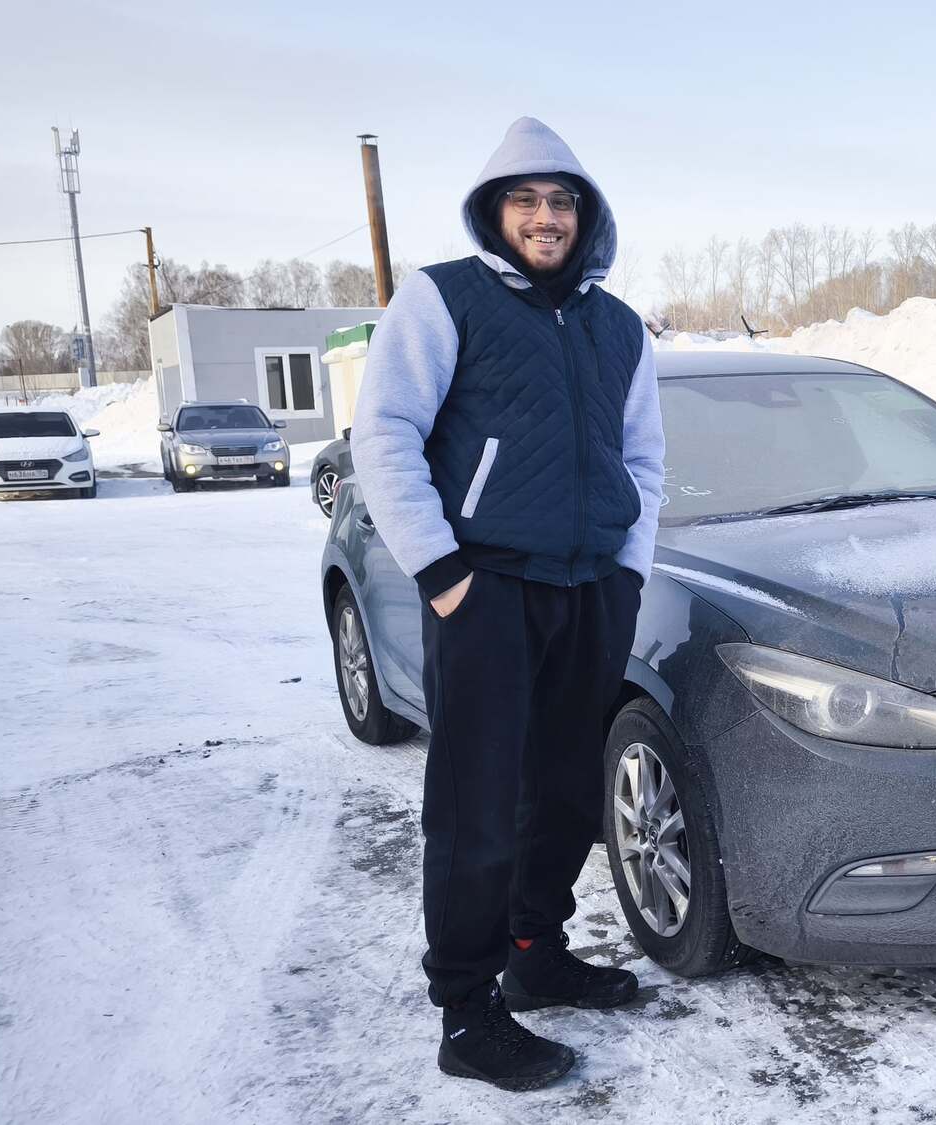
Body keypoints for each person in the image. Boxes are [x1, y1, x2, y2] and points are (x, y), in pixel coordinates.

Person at [353, 116, 665, 1092]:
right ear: (495, 211)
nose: (544, 216)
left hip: (590, 589)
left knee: (565, 793)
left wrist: (628, 573)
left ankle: (535, 952)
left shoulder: (619, 327)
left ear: (584, 215)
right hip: (484, 589)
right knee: (476, 807)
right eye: (524, 199)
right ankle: (466, 1010)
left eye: (560, 200)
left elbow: (644, 459)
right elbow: (385, 434)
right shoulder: (443, 299)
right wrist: (443, 573)